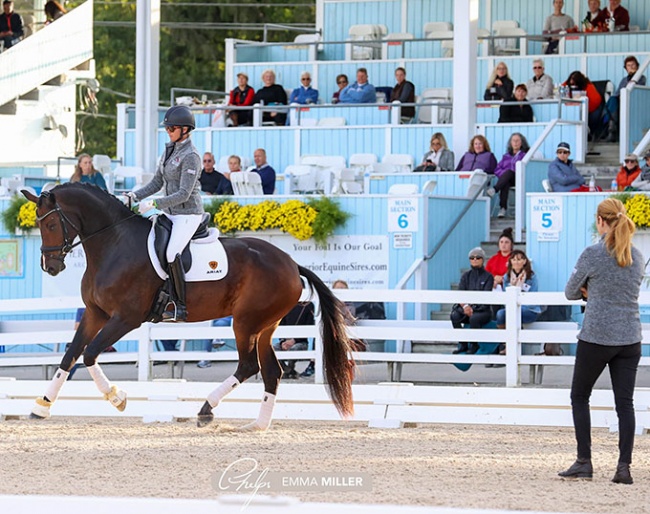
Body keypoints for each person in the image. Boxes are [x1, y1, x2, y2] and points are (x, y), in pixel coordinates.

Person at [559, 198, 642, 484]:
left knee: (580, 396)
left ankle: (584, 460)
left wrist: (588, 291)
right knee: (625, 404)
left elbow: (570, 292)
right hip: (630, 337)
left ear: (600, 221)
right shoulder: (637, 256)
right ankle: (623, 467)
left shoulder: (593, 254)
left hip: (597, 335)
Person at [124, 105, 203, 322]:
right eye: (167, 128)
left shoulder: (192, 156)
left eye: (172, 128)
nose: (168, 131)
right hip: (169, 213)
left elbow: (184, 194)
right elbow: (157, 182)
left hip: (188, 215)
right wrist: (134, 196)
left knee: (171, 253)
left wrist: (154, 203)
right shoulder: (170, 150)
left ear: (185, 129)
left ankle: (179, 305)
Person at [450, 247, 494, 355]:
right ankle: (463, 344)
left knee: (474, 318)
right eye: (472, 257)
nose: (475, 259)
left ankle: (474, 344)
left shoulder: (488, 276)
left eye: (478, 257)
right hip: (467, 309)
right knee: (454, 316)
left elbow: (486, 296)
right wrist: (465, 307)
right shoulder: (466, 276)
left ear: (482, 259)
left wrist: (474, 308)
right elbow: (460, 293)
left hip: (483, 311)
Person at [495, 250, 544, 337]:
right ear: (510, 262)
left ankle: (510, 346)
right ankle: (504, 342)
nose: (516, 262)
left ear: (524, 261)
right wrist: (513, 285)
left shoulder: (531, 277)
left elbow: (533, 297)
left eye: (519, 259)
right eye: (513, 260)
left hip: (529, 309)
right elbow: (506, 297)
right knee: (500, 314)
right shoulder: (507, 277)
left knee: (514, 314)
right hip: (511, 307)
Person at [488, 133, 530, 218]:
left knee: (509, 172)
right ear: (510, 143)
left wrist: (507, 173)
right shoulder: (506, 156)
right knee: (505, 182)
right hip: (506, 180)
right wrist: (504, 174)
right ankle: (502, 208)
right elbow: (497, 169)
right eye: (513, 140)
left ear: (522, 143)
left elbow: (525, 168)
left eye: (518, 140)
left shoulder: (524, 155)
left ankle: (495, 189)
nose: (515, 143)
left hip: (518, 178)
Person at [606, 56, 646, 142]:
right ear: (625, 68)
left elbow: (636, 89)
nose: (631, 67)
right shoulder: (624, 80)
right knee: (612, 100)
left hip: (634, 102)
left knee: (612, 104)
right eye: (628, 65)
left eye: (633, 65)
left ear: (637, 67)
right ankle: (612, 128)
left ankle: (612, 129)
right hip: (621, 102)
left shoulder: (641, 78)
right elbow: (617, 93)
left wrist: (632, 77)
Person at [273, 301, 315, 379]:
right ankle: (288, 370)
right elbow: (281, 325)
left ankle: (288, 371)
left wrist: (294, 340)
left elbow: (308, 327)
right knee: (272, 349)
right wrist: (283, 341)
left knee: (294, 349)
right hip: (285, 340)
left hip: (301, 342)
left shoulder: (308, 305)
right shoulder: (285, 304)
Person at [563, 70, 603, 138]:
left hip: (591, 109)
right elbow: (563, 87)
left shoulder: (588, 86)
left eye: (574, 83)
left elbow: (596, 101)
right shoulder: (568, 86)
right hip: (574, 108)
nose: (572, 84)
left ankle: (590, 133)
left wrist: (585, 109)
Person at [486, 227, 514, 293]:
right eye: (501, 242)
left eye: (506, 242)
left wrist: (503, 279)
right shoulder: (492, 260)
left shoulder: (515, 259)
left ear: (511, 244)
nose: (503, 245)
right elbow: (486, 275)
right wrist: (494, 279)